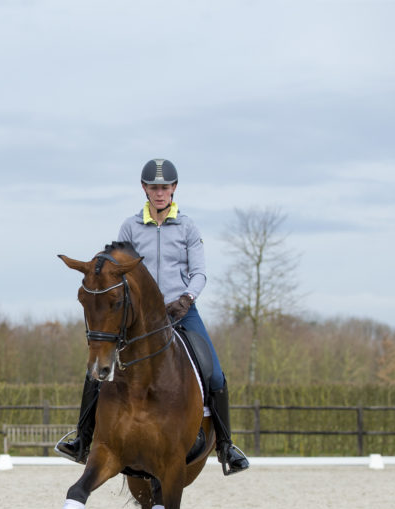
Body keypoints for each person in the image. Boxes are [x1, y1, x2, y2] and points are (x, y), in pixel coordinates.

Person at [56, 158, 250, 476]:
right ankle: (82, 439)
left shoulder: (187, 227)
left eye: (165, 187)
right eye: (154, 187)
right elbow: (115, 269)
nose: (159, 193)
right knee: (96, 371)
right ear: (145, 189)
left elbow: (200, 272)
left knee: (214, 373)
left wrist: (187, 298)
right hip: (139, 318)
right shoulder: (130, 227)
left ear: (173, 189)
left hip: (182, 311)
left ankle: (227, 446)